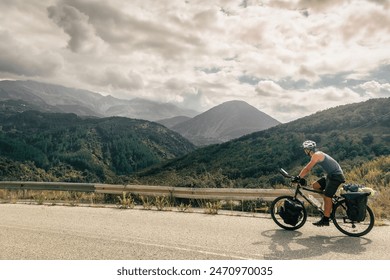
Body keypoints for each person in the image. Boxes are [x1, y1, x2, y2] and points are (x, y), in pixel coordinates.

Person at [294, 140, 345, 226]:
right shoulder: (318, 154)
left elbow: (307, 168)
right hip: (331, 176)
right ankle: (329, 203)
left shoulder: (316, 155)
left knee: (327, 196)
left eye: (305, 150)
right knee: (315, 186)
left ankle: (326, 219)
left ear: (309, 150)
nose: (305, 151)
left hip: (336, 176)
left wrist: (299, 177)